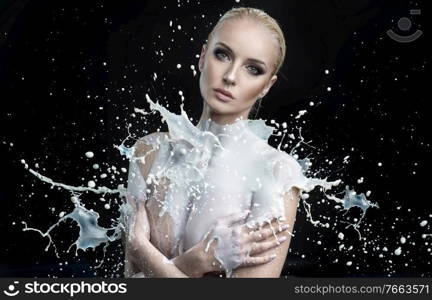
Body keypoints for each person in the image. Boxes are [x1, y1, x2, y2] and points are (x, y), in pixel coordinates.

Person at [121, 7, 308, 278]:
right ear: (202, 57)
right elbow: (130, 280)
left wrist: (142, 249)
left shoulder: (276, 172)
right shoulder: (149, 151)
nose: (230, 76)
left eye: (253, 69)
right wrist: (194, 264)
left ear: (267, 85)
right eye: (223, 55)